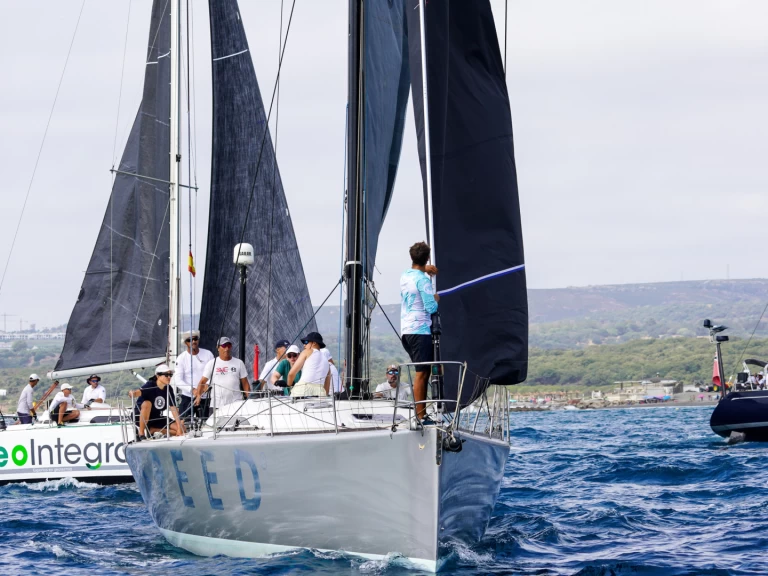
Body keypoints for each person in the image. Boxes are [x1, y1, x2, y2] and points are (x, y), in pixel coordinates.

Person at [400, 241, 439, 421]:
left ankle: (421, 413)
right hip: (420, 330)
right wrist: (436, 298)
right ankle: (421, 416)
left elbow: (416, 274)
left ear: (411, 257)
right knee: (422, 373)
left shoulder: (405, 276)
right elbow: (431, 307)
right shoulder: (423, 280)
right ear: (427, 257)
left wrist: (425, 269)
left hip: (407, 331)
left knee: (424, 371)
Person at [195, 337, 251, 410]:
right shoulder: (211, 363)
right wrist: (198, 395)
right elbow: (202, 381)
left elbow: (245, 383)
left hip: (236, 404)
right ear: (218, 348)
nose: (227, 348)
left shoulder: (239, 363)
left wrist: (249, 399)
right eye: (224, 346)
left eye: (229, 346)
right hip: (217, 405)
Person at [134, 364, 185, 438]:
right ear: (158, 376)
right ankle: (141, 433)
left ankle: (153, 430)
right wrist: (133, 393)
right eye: (166, 375)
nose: (169, 377)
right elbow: (139, 392)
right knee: (147, 403)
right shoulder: (150, 385)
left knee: (182, 429)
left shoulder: (169, 388)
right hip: (140, 417)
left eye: (170, 375)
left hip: (156, 417)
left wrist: (179, 428)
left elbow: (173, 408)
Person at [175, 330, 214, 420]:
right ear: (185, 343)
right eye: (189, 340)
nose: (193, 342)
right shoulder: (181, 358)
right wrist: (193, 390)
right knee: (183, 424)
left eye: (195, 339)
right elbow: (178, 380)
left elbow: (213, 374)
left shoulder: (208, 354)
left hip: (205, 396)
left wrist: (206, 385)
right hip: (188, 397)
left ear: (198, 340)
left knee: (207, 424)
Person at [288, 332, 330, 397]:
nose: (304, 345)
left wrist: (289, 386)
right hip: (320, 392)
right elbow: (327, 387)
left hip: (303, 389)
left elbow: (291, 374)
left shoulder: (307, 352)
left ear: (314, 343)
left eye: (306, 342)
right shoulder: (327, 361)